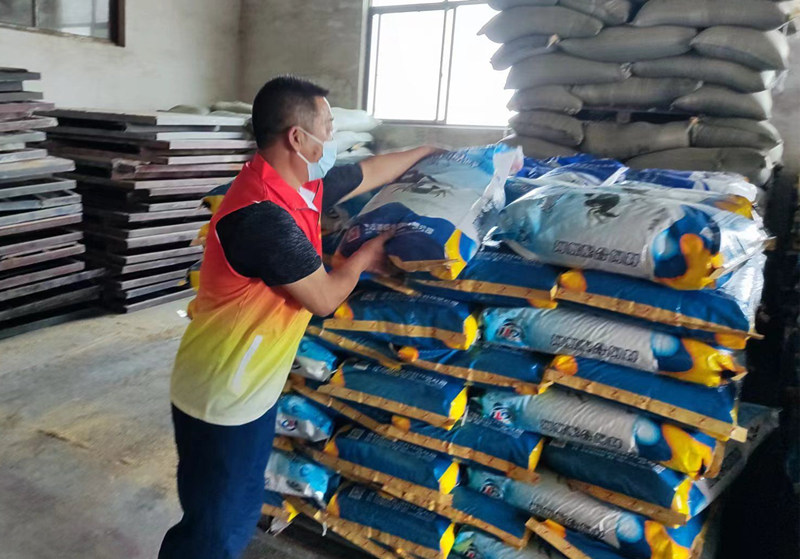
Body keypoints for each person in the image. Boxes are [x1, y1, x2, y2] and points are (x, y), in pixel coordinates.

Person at [158, 76, 441, 559]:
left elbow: (367, 172)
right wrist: (364, 256)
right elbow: (324, 298)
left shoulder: (295, 186)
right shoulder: (262, 216)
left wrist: (428, 152)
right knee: (215, 531)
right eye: (328, 126)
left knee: (234, 510)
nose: (332, 137)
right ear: (298, 137)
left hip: (248, 387)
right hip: (223, 394)